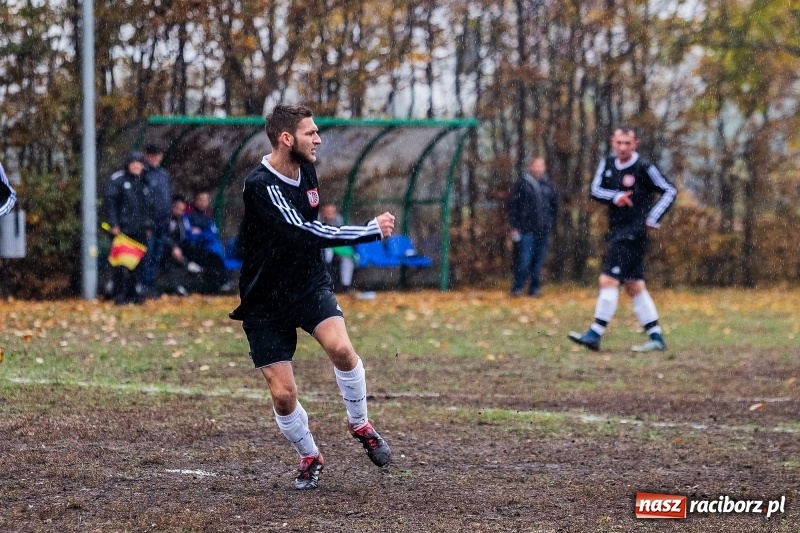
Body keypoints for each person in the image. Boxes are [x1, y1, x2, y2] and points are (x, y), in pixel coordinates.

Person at [229, 103, 395, 490]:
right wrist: (368, 231)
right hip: (264, 300)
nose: (318, 138)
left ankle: (361, 424)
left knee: (341, 348)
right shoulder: (260, 185)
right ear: (287, 139)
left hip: (307, 285)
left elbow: (313, 228)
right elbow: (304, 231)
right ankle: (309, 454)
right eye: (311, 132)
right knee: (284, 394)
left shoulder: (307, 170)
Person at [568, 125, 677, 352]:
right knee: (634, 285)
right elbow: (595, 190)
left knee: (608, 280)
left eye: (628, 143)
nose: (623, 147)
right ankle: (656, 337)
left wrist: (654, 217)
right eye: (619, 142)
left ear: (635, 144)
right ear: (612, 142)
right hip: (617, 230)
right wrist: (615, 196)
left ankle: (595, 334)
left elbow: (669, 190)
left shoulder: (644, 167)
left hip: (633, 233)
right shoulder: (607, 165)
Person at [103, 151, 154, 305]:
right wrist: (114, 224)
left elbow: (149, 207)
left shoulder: (144, 182)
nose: (137, 166)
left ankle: (134, 294)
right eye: (134, 163)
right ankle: (119, 295)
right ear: (128, 164)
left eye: (139, 163)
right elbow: (110, 203)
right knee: (121, 264)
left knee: (137, 264)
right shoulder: (118, 180)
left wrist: (149, 225)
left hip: (140, 230)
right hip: (123, 231)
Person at [508, 156, 559, 297]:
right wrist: (515, 226)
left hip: (543, 229)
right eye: (536, 165)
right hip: (526, 229)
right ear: (530, 167)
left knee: (539, 261)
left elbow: (555, 207)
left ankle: (534, 288)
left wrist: (550, 223)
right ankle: (517, 288)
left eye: (541, 166)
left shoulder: (548, 185)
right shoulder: (521, 184)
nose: (538, 168)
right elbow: (513, 206)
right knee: (524, 260)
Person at [140, 144, 173, 297]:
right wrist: (146, 221)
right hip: (149, 224)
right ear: (146, 155)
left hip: (163, 223)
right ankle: (143, 285)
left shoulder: (163, 174)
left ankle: (150, 285)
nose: (155, 158)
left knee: (157, 256)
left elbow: (166, 198)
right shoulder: (143, 174)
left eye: (157, 154)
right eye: (152, 155)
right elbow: (142, 201)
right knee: (148, 254)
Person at [319, 202, 356, 293]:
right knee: (327, 254)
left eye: (332, 212)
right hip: (322, 246)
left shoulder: (338, 219)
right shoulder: (317, 219)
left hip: (337, 246)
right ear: (323, 211)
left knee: (348, 258)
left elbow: (341, 236)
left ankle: (345, 286)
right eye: (328, 212)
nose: (330, 214)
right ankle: (327, 283)